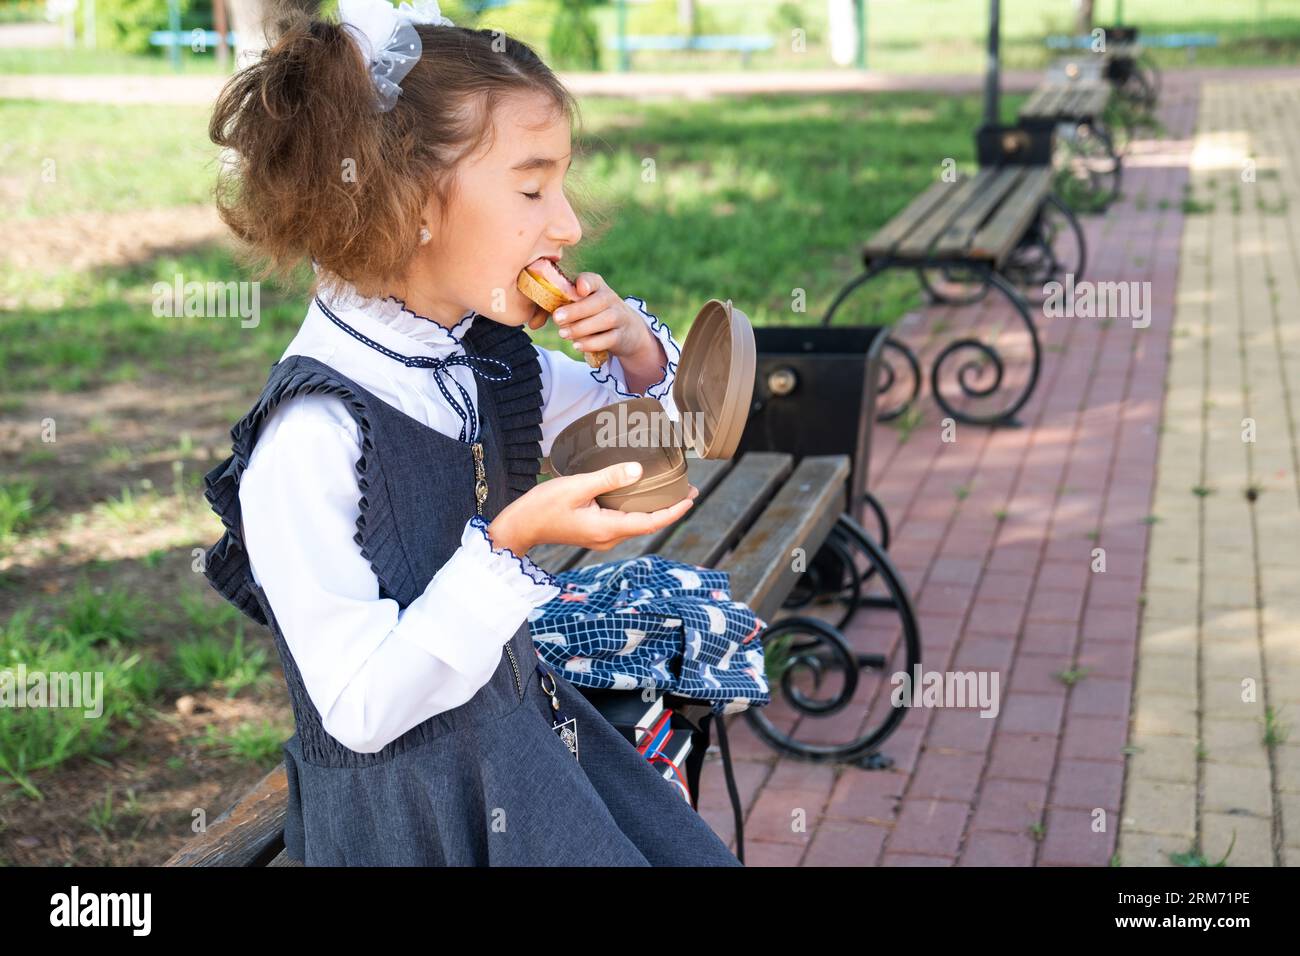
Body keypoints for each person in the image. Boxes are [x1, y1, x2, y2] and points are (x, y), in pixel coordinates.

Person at [199, 0, 743, 866]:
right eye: (532, 188)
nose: (566, 224)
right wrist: (511, 544)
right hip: (416, 816)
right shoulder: (313, 433)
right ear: (408, 202)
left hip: (521, 747)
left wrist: (637, 349)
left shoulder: (479, 360)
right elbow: (361, 707)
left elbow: (674, 428)